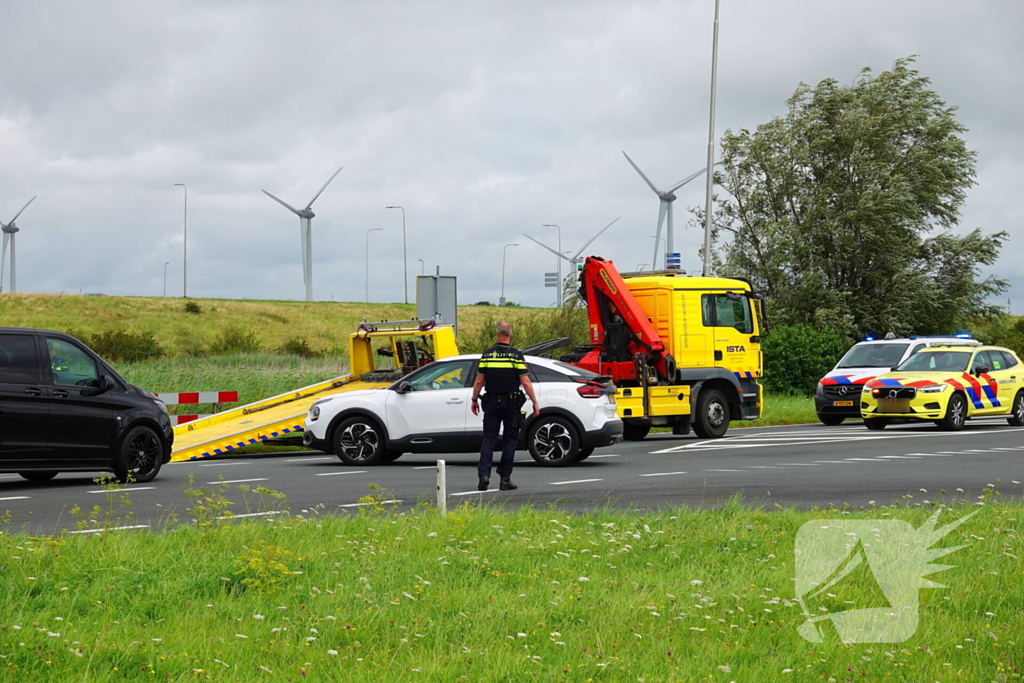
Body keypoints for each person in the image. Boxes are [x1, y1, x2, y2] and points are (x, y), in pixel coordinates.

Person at [470, 320, 540, 491]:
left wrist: (474, 399)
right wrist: (535, 402)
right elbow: (525, 381)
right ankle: (505, 479)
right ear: (511, 335)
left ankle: (484, 475)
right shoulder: (516, 356)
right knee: (510, 440)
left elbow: (479, 380)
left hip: (491, 402)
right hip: (511, 403)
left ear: (497, 334)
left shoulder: (487, 355)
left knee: (489, 439)